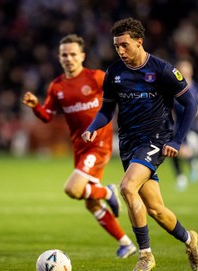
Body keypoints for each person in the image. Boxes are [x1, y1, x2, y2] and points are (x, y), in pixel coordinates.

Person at [82, 18, 198, 271]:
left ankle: (145, 255)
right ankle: (189, 239)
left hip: (156, 139)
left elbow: (191, 105)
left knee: (127, 187)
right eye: (117, 47)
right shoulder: (114, 73)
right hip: (128, 143)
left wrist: (176, 140)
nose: (121, 51)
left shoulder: (162, 70)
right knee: (156, 210)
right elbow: (106, 110)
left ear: (139, 41)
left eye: (125, 45)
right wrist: (93, 126)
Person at [22, 34, 137, 258]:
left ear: (82, 56)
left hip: (99, 145)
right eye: (64, 54)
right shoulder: (56, 87)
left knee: (72, 189)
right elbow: (47, 116)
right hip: (79, 148)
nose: (69, 58)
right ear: (59, 57)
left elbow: (122, 94)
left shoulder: (95, 77)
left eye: (73, 54)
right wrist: (36, 106)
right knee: (91, 204)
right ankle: (125, 243)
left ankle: (108, 191)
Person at [170, 60, 198, 191]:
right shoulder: (174, 89)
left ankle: (191, 161)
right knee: (171, 151)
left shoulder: (196, 89)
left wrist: (192, 112)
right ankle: (181, 176)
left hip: (191, 126)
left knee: (179, 150)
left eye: (185, 70)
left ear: (190, 72)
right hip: (177, 125)